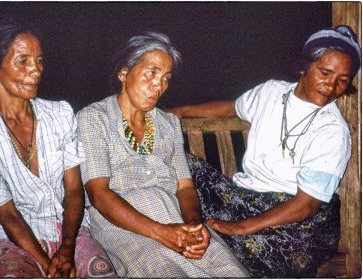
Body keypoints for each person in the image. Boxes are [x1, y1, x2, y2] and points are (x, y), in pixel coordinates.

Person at [166, 25, 361, 277]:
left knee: (258, 247)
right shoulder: (272, 92)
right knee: (179, 163)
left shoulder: (333, 130)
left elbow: (306, 205)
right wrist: (182, 112)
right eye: (325, 73)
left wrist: (240, 227)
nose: (331, 85)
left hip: (296, 220)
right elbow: (232, 109)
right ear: (304, 66)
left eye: (342, 80)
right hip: (244, 199)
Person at [0, 17, 116, 278]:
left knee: (102, 272)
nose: (36, 70)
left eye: (39, 60)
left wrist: (67, 248)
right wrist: (49, 266)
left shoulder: (60, 115)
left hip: (64, 232)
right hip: (3, 237)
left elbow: (73, 189)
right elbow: (7, 215)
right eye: (23, 60)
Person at [76, 31, 249, 278]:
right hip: (122, 224)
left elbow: (185, 187)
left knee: (230, 270)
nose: (159, 85)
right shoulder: (94, 118)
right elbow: (99, 194)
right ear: (124, 73)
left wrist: (192, 225)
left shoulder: (168, 123)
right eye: (151, 73)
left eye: (166, 78)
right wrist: (162, 232)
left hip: (173, 214)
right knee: (164, 271)